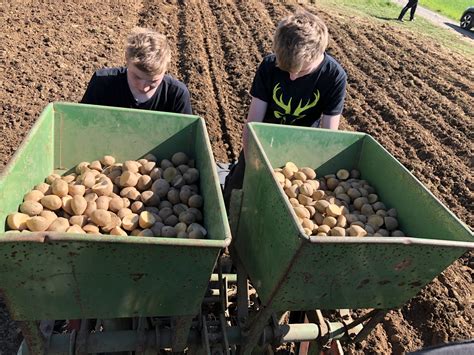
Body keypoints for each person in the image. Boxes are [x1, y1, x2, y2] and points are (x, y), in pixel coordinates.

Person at [223, 11, 347, 207]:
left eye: (302, 71)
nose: (292, 77)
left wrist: (312, 175)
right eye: (286, 70)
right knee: (235, 193)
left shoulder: (333, 76)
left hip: (303, 147)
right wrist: (252, 164)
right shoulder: (269, 66)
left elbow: (328, 135)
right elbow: (252, 124)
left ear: (317, 55)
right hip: (264, 143)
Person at [81, 27, 192, 114]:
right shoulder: (102, 83)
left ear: (165, 69)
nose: (143, 87)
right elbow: (82, 122)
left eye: (153, 81)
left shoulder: (176, 95)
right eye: (137, 77)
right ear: (127, 60)